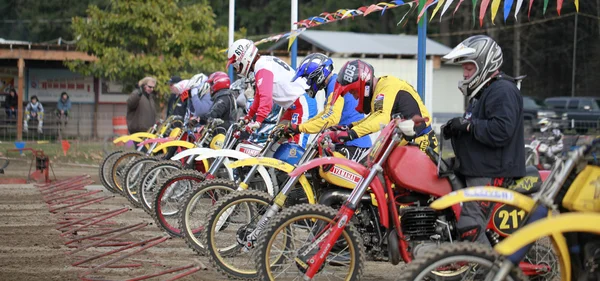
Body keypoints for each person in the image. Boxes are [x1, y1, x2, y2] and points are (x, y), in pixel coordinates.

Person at [442, 35, 525, 244]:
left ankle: (487, 272)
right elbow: (478, 125)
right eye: (464, 69)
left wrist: (469, 125)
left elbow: (501, 130)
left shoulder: (503, 90)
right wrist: (457, 128)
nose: (465, 73)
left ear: (484, 65)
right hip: (477, 169)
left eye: (469, 68)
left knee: (470, 225)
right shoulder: (486, 91)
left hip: (492, 172)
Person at [325, 59, 438, 153]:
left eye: (354, 92)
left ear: (363, 85)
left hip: (421, 143)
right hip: (404, 144)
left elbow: (381, 118)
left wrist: (351, 134)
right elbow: (374, 116)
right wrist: (348, 127)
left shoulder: (387, 87)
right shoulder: (380, 89)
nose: (355, 97)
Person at [227, 38, 317, 148]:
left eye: (236, 65)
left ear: (244, 58)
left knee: (294, 149)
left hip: (302, 104)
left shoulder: (262, 67)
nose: (237, 69)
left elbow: (266, 99)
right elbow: (258, 97)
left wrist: (258, 121)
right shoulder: (263, 63)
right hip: (294, 106)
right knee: (275, 144)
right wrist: (248, 117)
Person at [285, 53, 372, 161]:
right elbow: (325, 113)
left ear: (318, 75)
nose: (309, 83)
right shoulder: (333, 84)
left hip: (353, 145)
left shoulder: (335, 85)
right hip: (347, 142)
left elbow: (331, 118)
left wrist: (300, 128)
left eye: (309, 79)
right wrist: (299, 126)